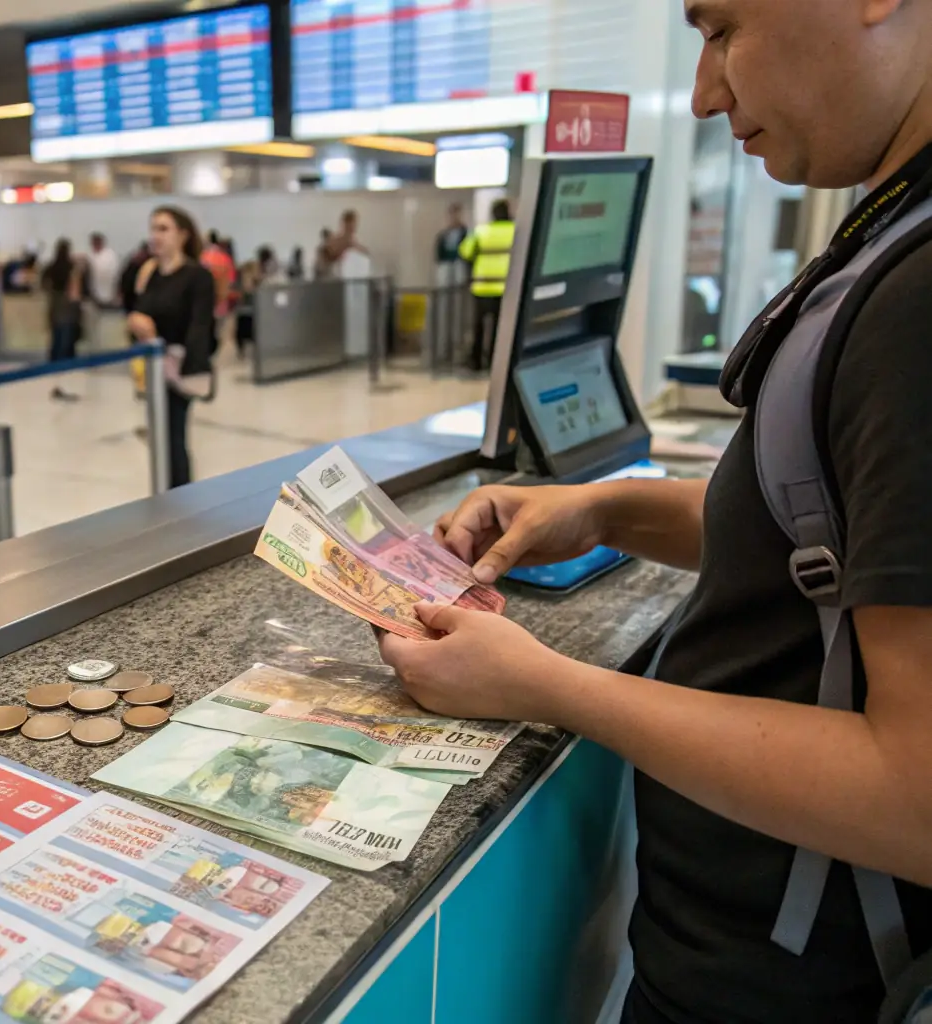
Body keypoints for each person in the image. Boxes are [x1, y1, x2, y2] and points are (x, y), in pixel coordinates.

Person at [380, 2, 932, 1022]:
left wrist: (549, 683)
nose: (705, 92)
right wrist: (608, 510)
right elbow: (827, 526)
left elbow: (917, 792)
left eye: (722, 30)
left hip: (804, 988)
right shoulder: (891, 237)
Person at [128, 206, 215, 489]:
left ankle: (180, 500)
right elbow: (138, 312)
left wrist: (186, 367)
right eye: (153, 229)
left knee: (173, 437)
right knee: (160, 438)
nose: (156, 236)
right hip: (153, 368)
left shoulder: (196, 276)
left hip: (179, 367)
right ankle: (166, 495)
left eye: (164, 229)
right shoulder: (149, 274)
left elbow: (201, 325)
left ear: (182, 235)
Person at [458, 198, 514, 371]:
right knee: (499, 326)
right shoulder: (516, 231)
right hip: (506, 288)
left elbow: (464, 251)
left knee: (478, 325)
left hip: (482, 286)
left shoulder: (481, 231)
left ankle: (475, 361)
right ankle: (493, 361)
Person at [40, 238, 85, 402]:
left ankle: (55, 382)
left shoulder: (50, 268)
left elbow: (42, 285)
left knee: (55, 344)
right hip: (68, 311)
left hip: (54, 310)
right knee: (68, 347)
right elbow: (75, 293)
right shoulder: (72, 268)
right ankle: (67, 385)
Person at [200, 230, 237, 354]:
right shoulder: (224, 257)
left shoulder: (203, 256)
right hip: (221, 300)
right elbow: (231, 279)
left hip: (207, 301)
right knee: (218, 332)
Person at [87, 232, 120, 309]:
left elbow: (116, 274)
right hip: (94, 293)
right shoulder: (91, 255)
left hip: (109, 292)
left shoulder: (110, 255)